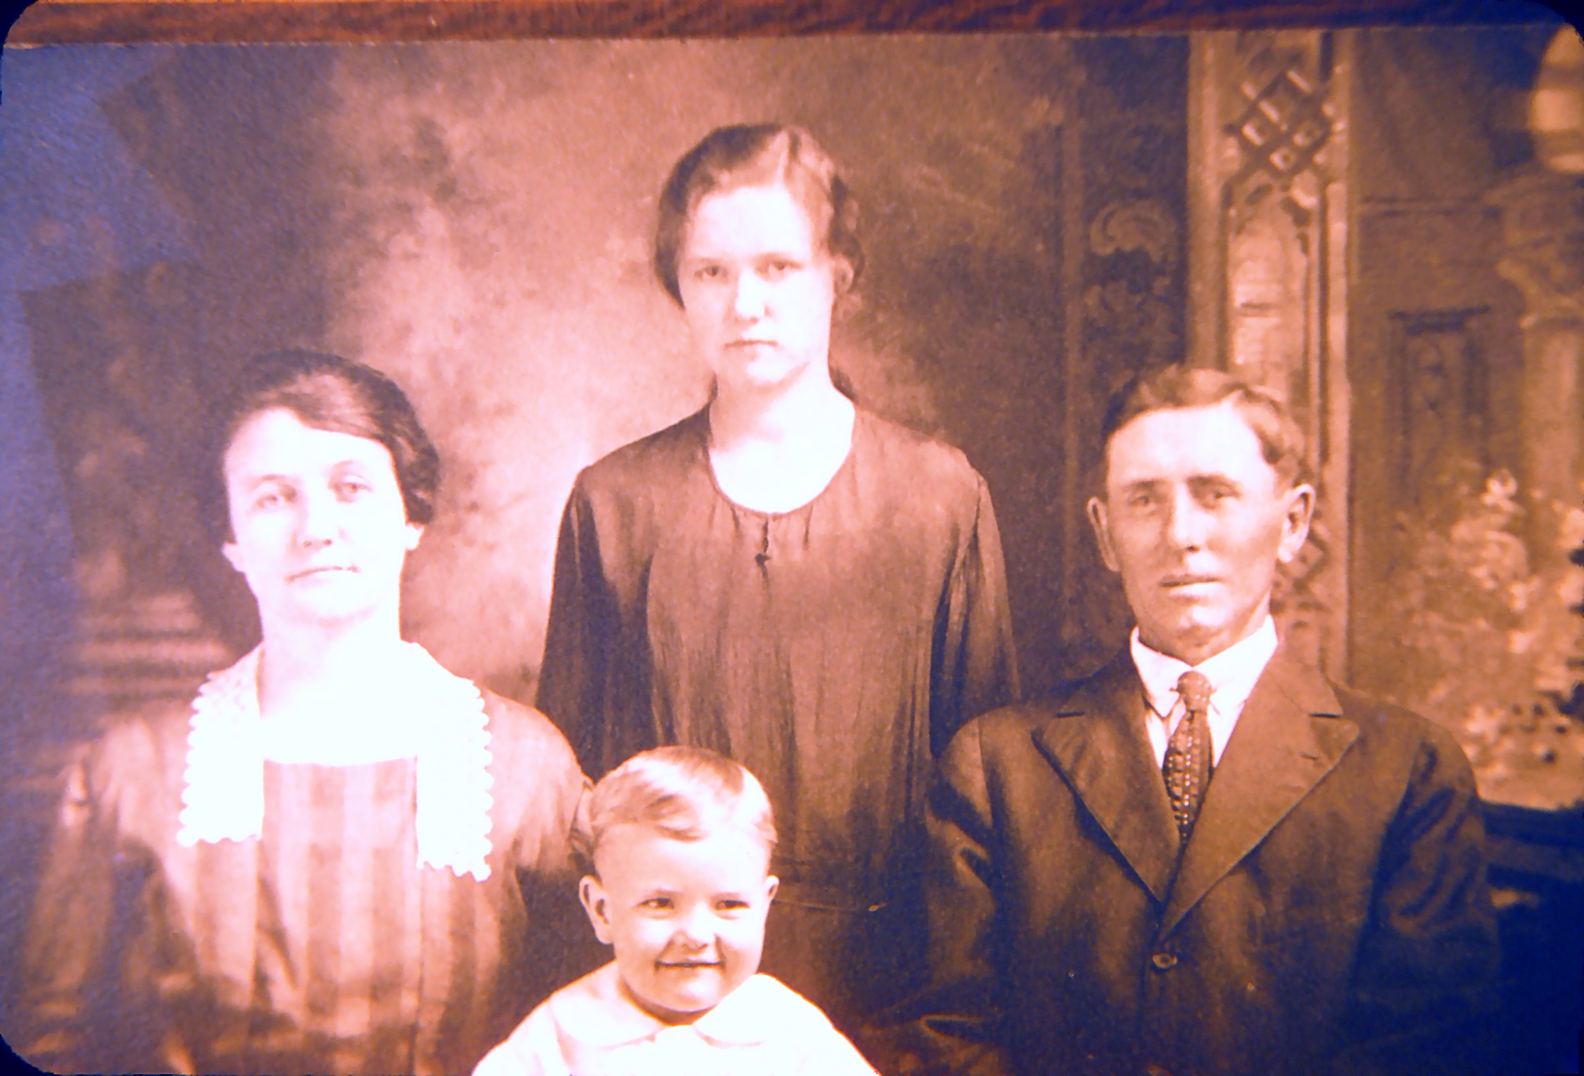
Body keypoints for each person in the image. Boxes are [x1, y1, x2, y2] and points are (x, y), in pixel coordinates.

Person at [866, 364, 1501, 1076]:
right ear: (1105, 535)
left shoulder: (1406, 773)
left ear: (1291, 523)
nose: (1181, 535)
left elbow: (1433, 1051)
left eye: (1215, 495)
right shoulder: (995, 765)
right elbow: (942, 1036)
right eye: (1145, 501)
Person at [536, 123, 1018, 1031]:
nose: (744, 303)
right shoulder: (614, 504)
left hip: (888, 998)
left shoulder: (937, 497)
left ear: (837, 273)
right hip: (666, 1006)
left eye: (778, 268)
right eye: (710, 273)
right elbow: (578, 803)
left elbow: (982, 799)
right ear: (677, 286)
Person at [11, 350, 593, 1076]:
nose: (316, 527)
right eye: (272, 497)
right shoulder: (132, 772)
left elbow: (603, 1028)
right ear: (230, 540)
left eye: (352, 488)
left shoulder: (524, 768)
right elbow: (48, 1044)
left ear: (411, 517)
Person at [474, 745, 877, 1076]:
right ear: (602, 911)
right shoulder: (563, 1034)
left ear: (764, 907)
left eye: (729, 904)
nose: (697, 934)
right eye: (660, 904)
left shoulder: (789, 1030)